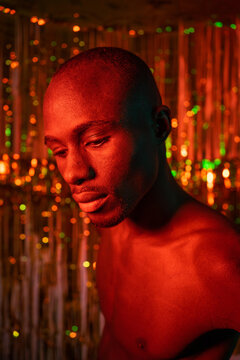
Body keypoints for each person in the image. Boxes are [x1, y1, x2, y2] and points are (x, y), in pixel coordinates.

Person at [43, 47, 240, 359]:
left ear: (159, 126)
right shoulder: (115, 217)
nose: (73, 173)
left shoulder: (220, 262)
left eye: (95, 141)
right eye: (59, 150)